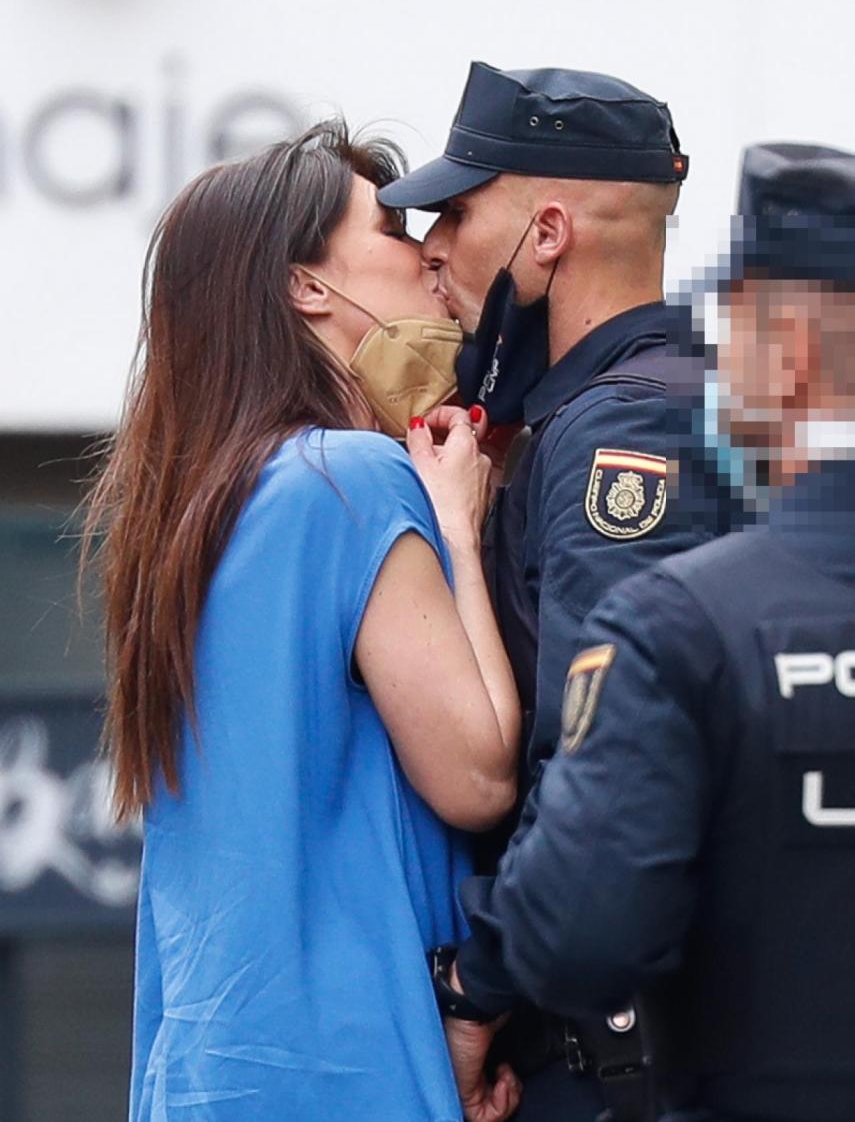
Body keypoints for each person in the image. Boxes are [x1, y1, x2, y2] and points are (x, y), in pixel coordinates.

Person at [82, 121, 523, 1121]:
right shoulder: (350, 479)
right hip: (350, 1069)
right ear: (307, 286)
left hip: (207, 1069)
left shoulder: (194, 511)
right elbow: (479, 774)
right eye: (392, 226)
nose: (426, 252)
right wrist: (458, 532)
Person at [437, 141, 855, 1122]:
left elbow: (579, 925)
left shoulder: (684, 624)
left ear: (787, 354)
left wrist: (474, 983)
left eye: (731, 332)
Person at [379, 61, 713, 1117]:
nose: (430, 244)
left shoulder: (628, 432)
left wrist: (476, 993)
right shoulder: (605, 415)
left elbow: (603, 765)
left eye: (459, 211)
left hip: (610, 1068)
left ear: (551, 233)